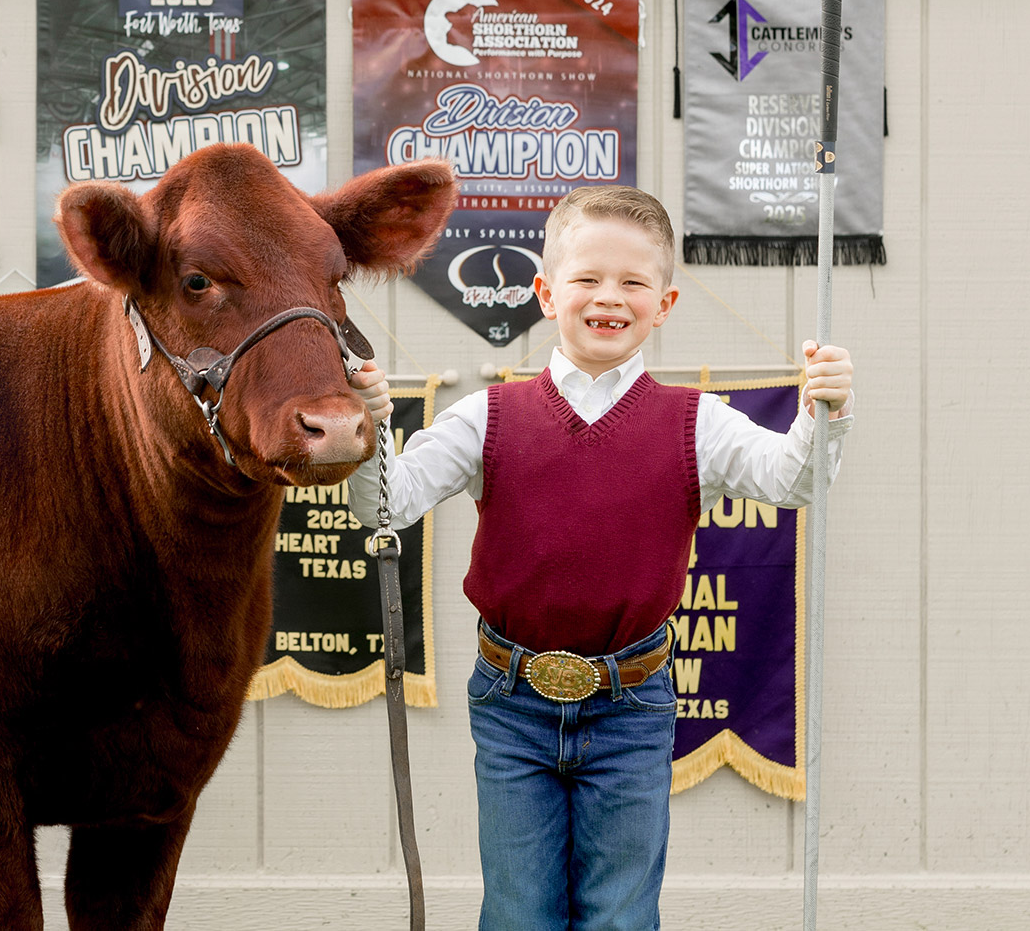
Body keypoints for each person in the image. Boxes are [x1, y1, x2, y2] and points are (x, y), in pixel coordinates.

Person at [346, 184, 854, 931]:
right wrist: (370, 429)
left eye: (632, 282)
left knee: (619, 914)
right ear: (546, 293)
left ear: (665, 303)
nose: (608, 296)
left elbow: (793, 479)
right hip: (511, 699)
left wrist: (825, 412)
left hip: (632, 703)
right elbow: (386, 505)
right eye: (586, 278)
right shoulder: (488, 416)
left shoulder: (695, 423)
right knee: (520, 912)